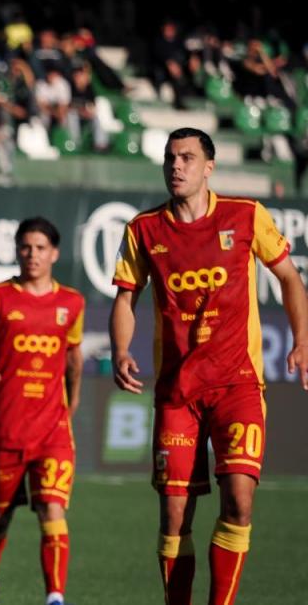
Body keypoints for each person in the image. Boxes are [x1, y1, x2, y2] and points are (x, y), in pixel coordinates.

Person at [110, 127, 308, 605]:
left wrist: (302, 340)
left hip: (237, 385)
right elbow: (124, 297)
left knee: (239, 502)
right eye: (170, 158)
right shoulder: (143, 229)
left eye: (187, 157)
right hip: (177, 393)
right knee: (175, 517)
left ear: (209, 167)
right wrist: (121, 350)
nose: (176, 166)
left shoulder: (245, 216)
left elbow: (288, 276)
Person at [0, 217, 85, 605]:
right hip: (7, 430)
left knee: (52, 509)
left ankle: (55, 598)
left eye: (40, 248)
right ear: (17, 251)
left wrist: (72, 401)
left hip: (53, 432)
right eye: (26, 247)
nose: (32, 254)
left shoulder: (71, 303)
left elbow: (74, 357)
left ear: (55, 253)